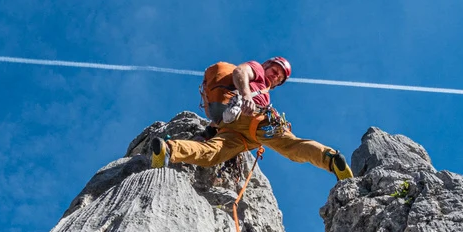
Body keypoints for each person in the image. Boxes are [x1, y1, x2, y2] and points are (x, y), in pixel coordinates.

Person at [149, 57, 353, 180]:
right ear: (266, 65)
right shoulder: (256, 70)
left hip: (235, 129)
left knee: (213, 153)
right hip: (254, 117)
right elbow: (240, 71)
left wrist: (207, 133)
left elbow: (218, 119)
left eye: (280, 78)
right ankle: (331, 159)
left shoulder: (262, 87)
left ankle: (169, 150)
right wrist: (246, 96)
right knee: (291, 146)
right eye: (274, 71)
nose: (275, 77)